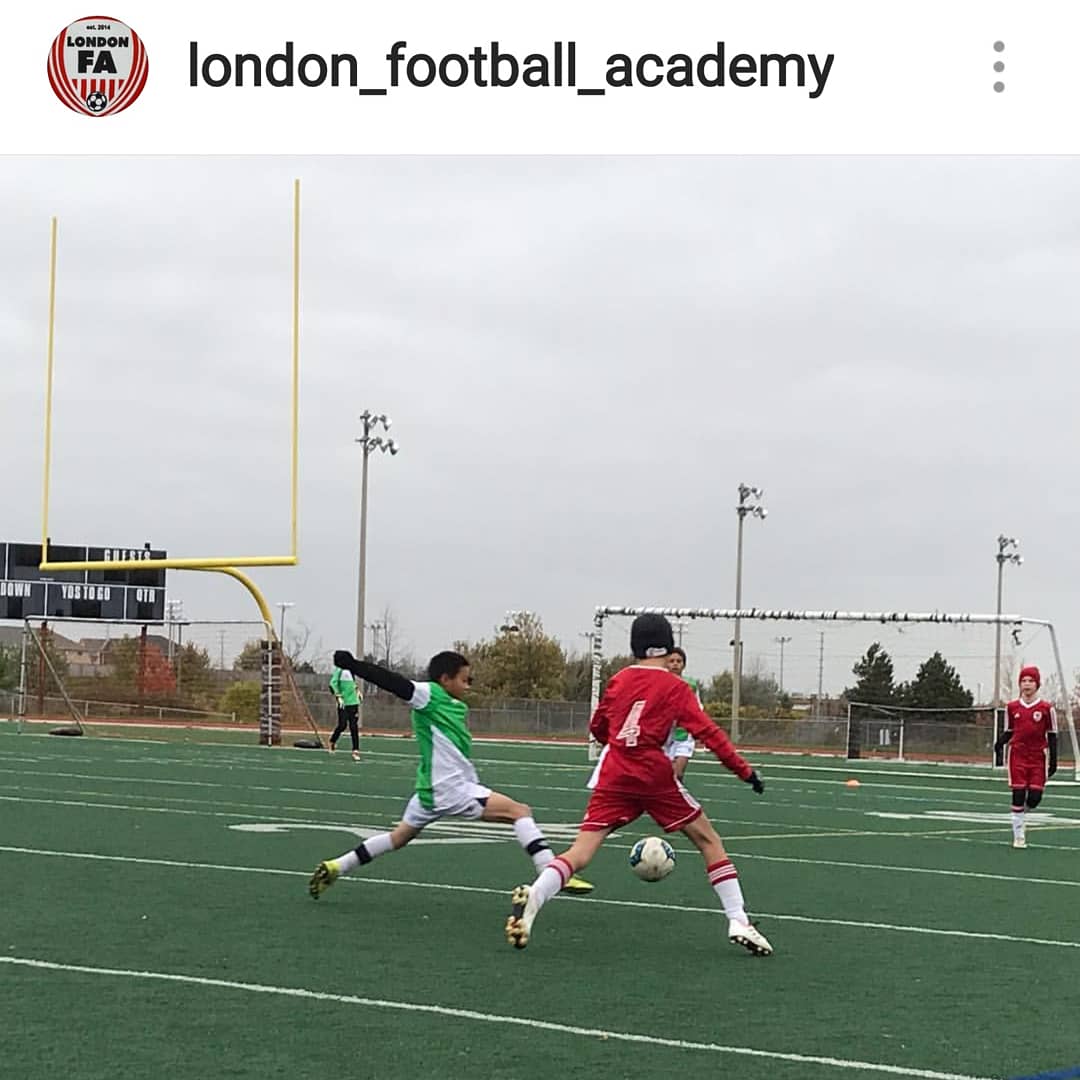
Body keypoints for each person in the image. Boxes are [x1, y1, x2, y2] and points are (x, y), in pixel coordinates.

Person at [506, 613, 772, 955]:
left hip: (615, 771)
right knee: (708, 840)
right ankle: (738, 920)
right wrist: (745, 772)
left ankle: (535, 898)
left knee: (581, 852)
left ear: (636, 646)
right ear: (669, 644)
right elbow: (709, 732)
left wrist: (615, 740)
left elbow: (598, 725)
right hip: (652, 772)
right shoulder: (677, 686)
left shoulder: (619, 679)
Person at [309, 648, 594, 898]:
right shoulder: (429, 695)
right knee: (519, 811)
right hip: (450, 789)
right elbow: (392, 682)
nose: (468, 685)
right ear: (445, 679)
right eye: (464, 679)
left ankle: (337, 866)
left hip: (430, 790)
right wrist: (353, 665)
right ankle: (552, 872)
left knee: (398, 838)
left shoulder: (453, 705)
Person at [994, 665, 1058, 849]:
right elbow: (1009, 731)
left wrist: (1053, 761)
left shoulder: (1046, 709)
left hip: (1038, 756)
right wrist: (999, 744)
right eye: (1024, 681)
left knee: (1035, 797)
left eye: (1030, 681)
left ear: (1037, 684)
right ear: (1020, 684)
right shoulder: (1012, 707)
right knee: (1018, 793)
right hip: (1018, 755)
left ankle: (1022, 814)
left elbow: (1053, 735)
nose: (1027, 684)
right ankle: (1018, 835)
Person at [665, 646, 703, 780]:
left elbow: (698, 709)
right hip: (662, 735)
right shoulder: (659, 682)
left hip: (684, 734)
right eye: (672, 661)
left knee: (677, 773)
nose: (675, 664)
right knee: (663, 775)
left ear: (683, 665)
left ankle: (676, 795)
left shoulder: (690, 685)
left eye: (678, 661)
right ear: (666, 663)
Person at [328, 659, 362, 761]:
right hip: (343, 702)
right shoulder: (339, 670)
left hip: (353, 702)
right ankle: (332, 741)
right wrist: (338, 696)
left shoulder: (351, 670)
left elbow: (352, 683)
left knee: (353, 726)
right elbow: (332, 684)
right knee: (342, 725)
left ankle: (355, 750)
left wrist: (357, 691)